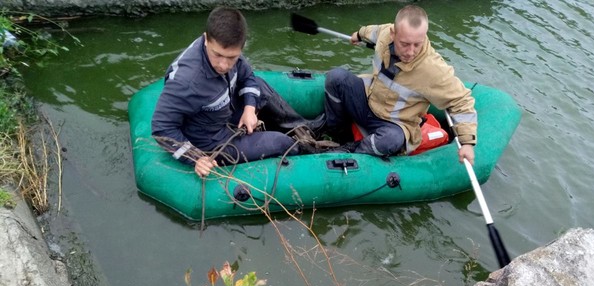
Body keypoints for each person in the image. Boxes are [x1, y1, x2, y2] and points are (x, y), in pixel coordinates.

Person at [152, 7, 325, 177]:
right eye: (217, 55)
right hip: (213, 140)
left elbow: (248, 76)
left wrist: (250, 109)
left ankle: (305, 129)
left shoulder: (230, 48)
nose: (223, 65)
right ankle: (313, 153)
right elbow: (161, 128)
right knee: (280, 142)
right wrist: (196, 158)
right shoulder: (186, 82)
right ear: (206, 39)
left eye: (231, 58)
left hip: (226, 110)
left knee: (259, 85)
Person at [323, 4, 477, 164]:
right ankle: (335, 133)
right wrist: (359, 34)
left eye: (417, 44)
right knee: (336, 77)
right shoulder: (385, 33)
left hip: (395, 123)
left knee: (391, 140)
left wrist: (467, 143)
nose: (410, 52)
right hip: (370, 101)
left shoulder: (433, 70)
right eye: (404, 44)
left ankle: (351, 152)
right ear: (393, 34)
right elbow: (373, 31)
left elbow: (461, 101)